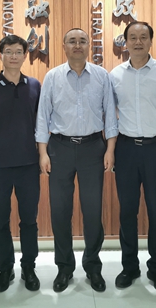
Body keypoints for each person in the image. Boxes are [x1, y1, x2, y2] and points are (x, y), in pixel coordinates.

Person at [36, 28, 118, 293]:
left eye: (82, 41)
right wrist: (42, 152)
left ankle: (93, 266)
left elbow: (110, 116)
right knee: (60, 211)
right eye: (72, 41)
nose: (78, 45)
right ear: (64, 46)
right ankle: (64, 267)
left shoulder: (102, 76)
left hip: (93, 148)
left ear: (89, 45)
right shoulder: (53, 77)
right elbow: (42, 116)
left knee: (92, 211)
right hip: (59, 147)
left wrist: (110, 149)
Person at [110, 21, 156, 292]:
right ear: (125, 42)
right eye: (133, 37)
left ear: (151, 41)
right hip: (126, 149)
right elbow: (110, 115)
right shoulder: (115, 75)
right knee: (127, 212)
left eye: (143, 37)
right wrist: (111, 149)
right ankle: (129, 267)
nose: (138, 41)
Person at [0, 35, 42, 293]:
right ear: (0, 55)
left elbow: (41, 125)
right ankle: (5, 269)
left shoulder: (34, 85)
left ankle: (29, 268)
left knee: (29, 220)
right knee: (0, 222)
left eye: (18, 52)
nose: (14, 56)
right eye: (9, 51)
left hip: (28, 165)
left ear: (25, 55)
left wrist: (43, 155)